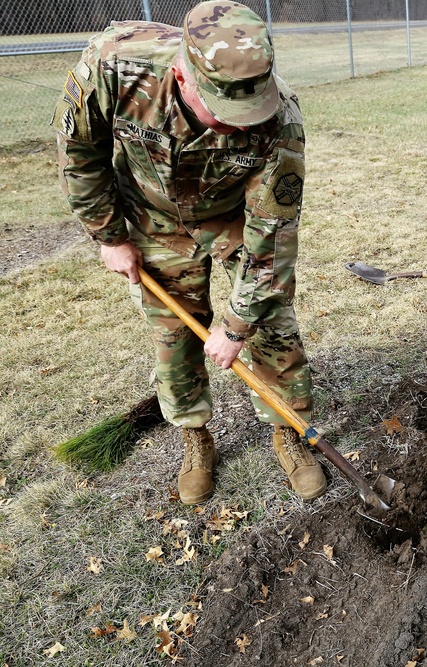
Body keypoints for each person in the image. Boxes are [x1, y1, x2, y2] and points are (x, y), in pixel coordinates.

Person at [55, 0, 327, 504]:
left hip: (233, 217)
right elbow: (79, 151)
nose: (238, 126)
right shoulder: (114, 65)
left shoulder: (281, 121)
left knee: (271, 324)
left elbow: (273, 237)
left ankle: (288, 428)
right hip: (153, 215)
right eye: (224, 113)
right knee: (174, 332)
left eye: (250, 113)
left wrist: (236, 324)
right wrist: (108, 234)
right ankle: (195, 435)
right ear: (182, 77)